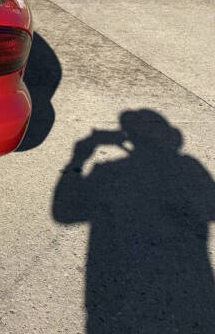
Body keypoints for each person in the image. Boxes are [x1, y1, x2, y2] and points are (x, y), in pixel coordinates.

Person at [52, 109, 215, 333]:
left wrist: (80, 156)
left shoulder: (108, 172)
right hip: (193, 290)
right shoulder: (189, 167)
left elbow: (64, 213)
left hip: (118, 297)